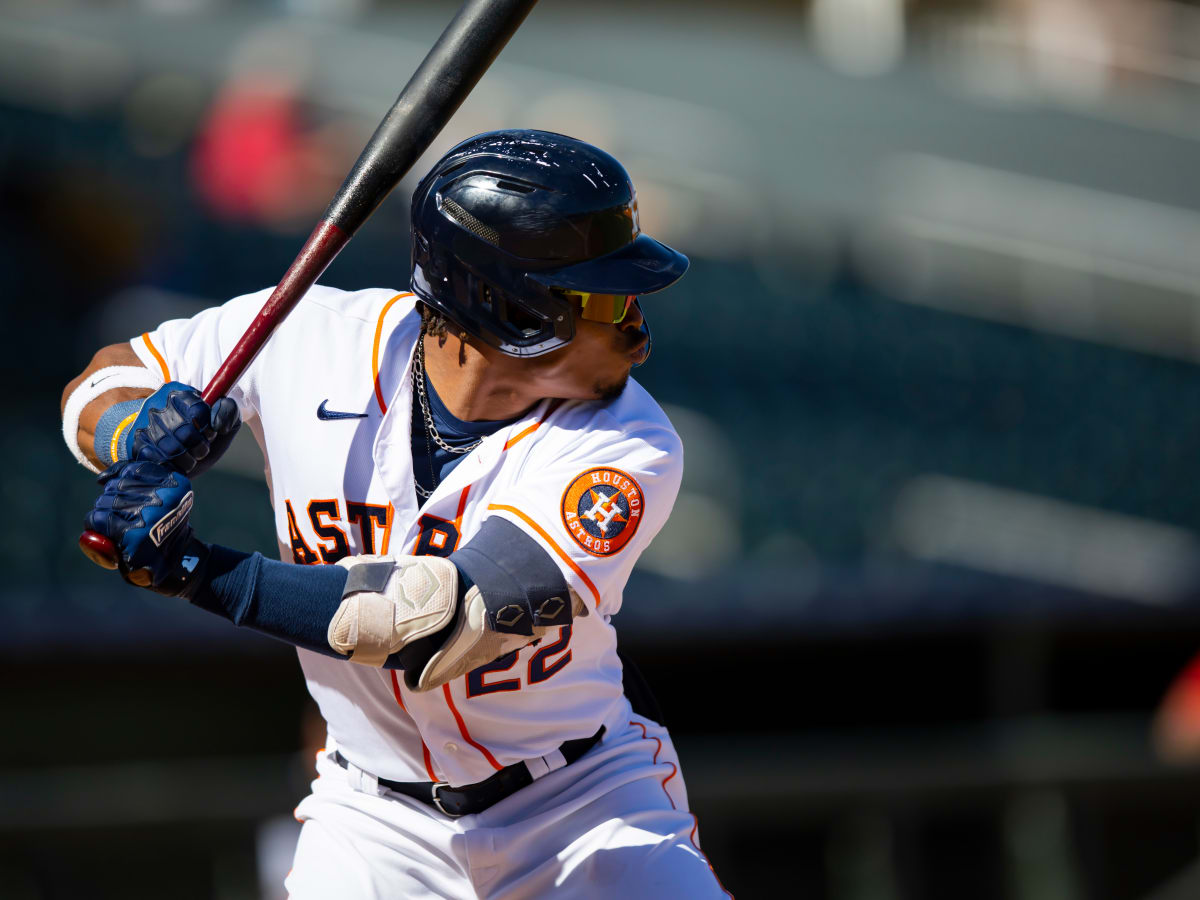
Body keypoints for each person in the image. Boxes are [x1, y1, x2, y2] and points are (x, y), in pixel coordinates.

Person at [61, 130, 729, 898]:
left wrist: (195, 571)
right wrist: (133, 430)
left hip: (579, 804)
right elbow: (106, 376)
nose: (636, 330)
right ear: (509, 308)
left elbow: (426, 621)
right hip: (374, 820)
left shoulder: (628, 441)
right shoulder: (310, 337)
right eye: (605, 299)